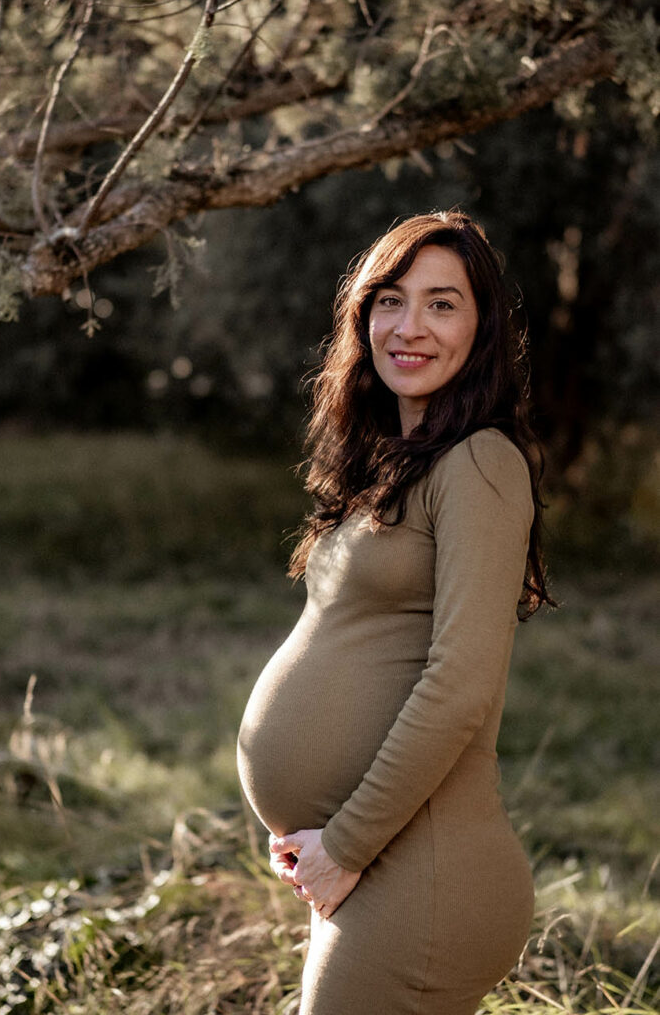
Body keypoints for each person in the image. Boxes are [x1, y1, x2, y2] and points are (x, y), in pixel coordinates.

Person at [237, 210, 554, 1015]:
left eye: (442, 304)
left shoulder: (480, 462)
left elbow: (460, 686)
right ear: (361, 315)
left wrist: (340, 847)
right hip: (380, 866)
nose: (408, 327)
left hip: (422, 877)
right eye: (389, 299)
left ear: (481, 329)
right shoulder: (392, 462)